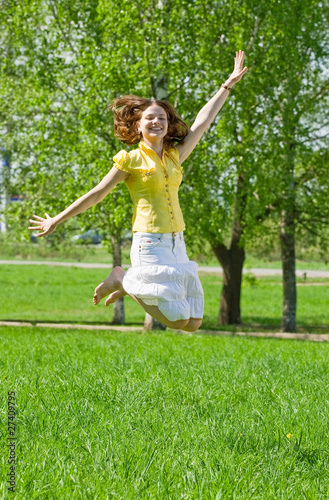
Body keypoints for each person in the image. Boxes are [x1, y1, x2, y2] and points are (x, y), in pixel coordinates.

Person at [29, 51, 247, 332]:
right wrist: (56, 219)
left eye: (162, 119)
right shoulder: (130, 160)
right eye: (150, 118)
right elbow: (97, 193)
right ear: (138, 126)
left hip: (176, 243)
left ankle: (126, 283)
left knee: (192, 323)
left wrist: (227, 85)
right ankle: (123, 279)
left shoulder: (174, 156)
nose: (157, 122)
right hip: (150, 245)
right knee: (177, 320)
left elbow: (203, 122)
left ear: (168, 125)